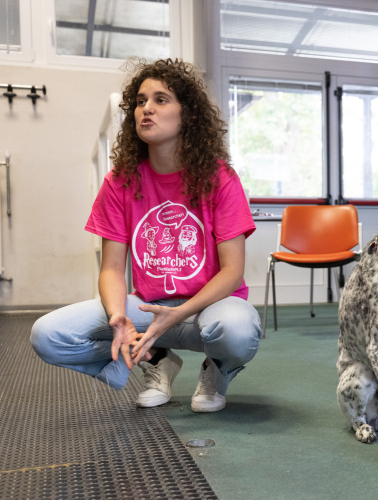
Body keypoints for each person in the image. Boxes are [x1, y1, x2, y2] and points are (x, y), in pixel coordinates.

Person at [31, 59, 262, 413]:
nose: (146, 109)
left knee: (238, 329)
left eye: (160, 100)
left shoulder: (220, 178)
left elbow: (232, 272)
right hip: (149, 308)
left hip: (208, 308)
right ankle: (156, 359)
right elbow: (111, 269)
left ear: (187, 116)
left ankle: (217, 370)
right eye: (140, 102)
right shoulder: (120, 181)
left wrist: (180, 312)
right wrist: (117, 317)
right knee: (48, 335)